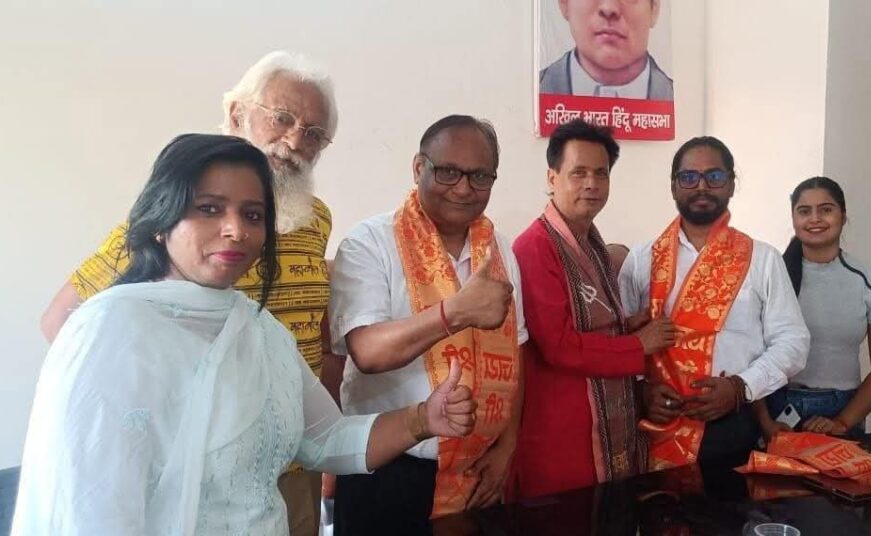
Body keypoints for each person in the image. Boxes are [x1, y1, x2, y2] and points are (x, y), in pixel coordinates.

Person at [10, 134, 477, 536]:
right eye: (209, 209)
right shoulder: (110, 330)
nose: (235, 230)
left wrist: (422, 418)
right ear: (161, 221)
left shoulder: (259, 330)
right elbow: (86, 512)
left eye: (253, 215)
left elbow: (327, 439)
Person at [38, 50, 338, 535]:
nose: (293, 141)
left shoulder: (317, 219)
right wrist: (170, 422)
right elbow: (62, 321)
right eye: (282, 118)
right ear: (237, 114)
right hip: (202, 476)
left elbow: (312, 331)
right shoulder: (176, 221)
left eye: (313, 133)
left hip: (297, 460)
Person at [329, 115, 527, 532]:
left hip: (475, 471)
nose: (463, 188)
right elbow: (367, 352)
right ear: (419, 167)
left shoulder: (498, 251)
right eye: (448, 171)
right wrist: (454, 312)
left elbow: (516, 353)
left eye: (479, 176)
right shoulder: (370, 242)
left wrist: (506, 447)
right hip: (388, 469)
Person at [619, 136, 810, 469]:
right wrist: (641, 392)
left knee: (731, 504)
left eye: (715, 176)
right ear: (674, 187)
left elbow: (793, 342)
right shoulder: (642, 259)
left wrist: (740, 387)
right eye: (689, 177)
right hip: (655, 426)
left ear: (732, 184)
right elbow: (619, 340)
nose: (702, 186)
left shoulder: (762, 259)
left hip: (733, 426)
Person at [510, 119, 675, 500]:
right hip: (562, 434)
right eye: (578, 173)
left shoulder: (593, 243)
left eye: (601, 173)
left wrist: (629, 326)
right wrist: (638, 345)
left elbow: (589, 323)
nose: (592, 184)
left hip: (604, 423)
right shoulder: (535, 246)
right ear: (552, 177)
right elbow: (557, 345)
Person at [757, 177, 871, 439]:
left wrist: (843, 422)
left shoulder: (870, 281)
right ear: (793, 219)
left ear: (843, 216)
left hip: (844, 409)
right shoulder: (769, 275)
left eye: (826, 209)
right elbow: (748, 355)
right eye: (804, 211)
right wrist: (765, 423)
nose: (815, 219)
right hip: (774, 408)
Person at [540, 0, 673, 100]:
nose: (609, 8)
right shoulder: (535, 91)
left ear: (654, 8)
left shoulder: (680, 101)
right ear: (564, 3)